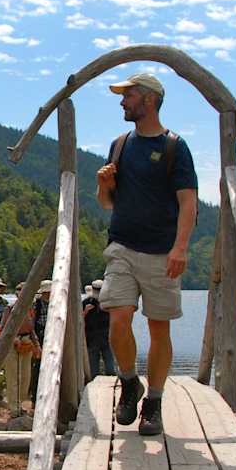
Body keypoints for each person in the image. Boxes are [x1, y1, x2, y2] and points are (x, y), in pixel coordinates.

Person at [96, 71, 198, 437]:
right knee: (118, 318)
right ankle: (128, 383)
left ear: (149, 99)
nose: (123, 102)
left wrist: (180, 248)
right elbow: (108, 203)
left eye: (129, 95)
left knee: (159, 328)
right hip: (121, 247)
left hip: (162, 253)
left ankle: (153, 402)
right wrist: (103, 184)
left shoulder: (175, 147)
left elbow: (188, 203)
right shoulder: (120, 144)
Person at [2, 283, 39, 411]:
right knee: (13, 376)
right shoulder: (10, 309)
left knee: (25, 377)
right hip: (11, 344)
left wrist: (36, 345)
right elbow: (3, 329)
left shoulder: (31, 309)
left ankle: (20, 403)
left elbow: (31, 330)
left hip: (26, 342)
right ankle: (13, 407)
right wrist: (14, 339)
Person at [83, 278, 115, 377]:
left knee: (110, 367)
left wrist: (108, 310)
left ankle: (111, 384)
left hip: (107, 338)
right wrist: (85, 312)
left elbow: (116, 318)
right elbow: (79, 320)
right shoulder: (86, 302)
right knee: (93, 369)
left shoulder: (109, 302)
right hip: (92, 339)